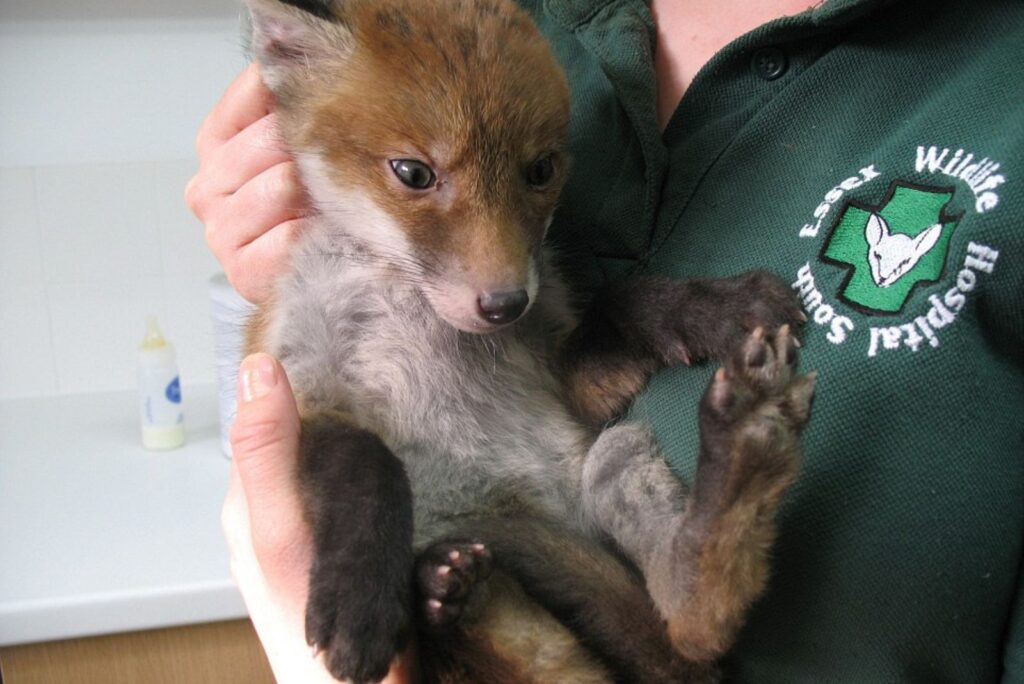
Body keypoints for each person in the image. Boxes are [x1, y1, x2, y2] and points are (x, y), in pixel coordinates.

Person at [187, 0, 1024, 680]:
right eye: (416, 176)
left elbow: (569, 360)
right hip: (472, 568)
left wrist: (665, 314)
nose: (501, 274)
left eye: (542, 175)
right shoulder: (395, 59)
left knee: (616, 465)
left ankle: (684, 573)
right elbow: (300, 425)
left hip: (568, 544)